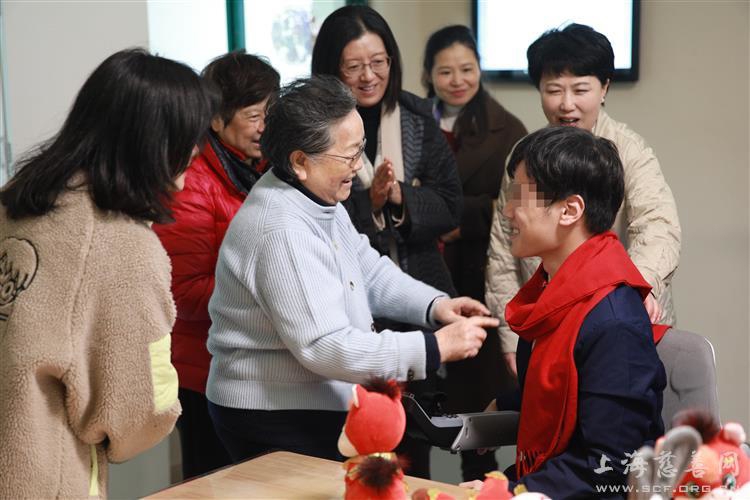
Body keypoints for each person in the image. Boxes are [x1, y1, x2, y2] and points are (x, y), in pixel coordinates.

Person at [205, 76, 496, 466]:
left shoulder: (314, 196)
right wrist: (433, 347)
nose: (358, 167)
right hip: (273, 412)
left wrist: (434, 306)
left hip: (311, 399)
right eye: (348, 156)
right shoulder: (282, 229)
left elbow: (367, 270)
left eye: (360, 149)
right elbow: (326, 345)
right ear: (300, 161)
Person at [0, 48, 214, 498]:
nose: (197, 151)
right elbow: (138, 414)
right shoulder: (122, 246)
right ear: (155, 143)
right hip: (40, 476)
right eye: (189, 137)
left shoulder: (14, 200)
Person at [311, 5, 463, 478]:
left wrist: (398, 196)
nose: (369, 76)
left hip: (416, 288)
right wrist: (368, 203)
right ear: (331, 69)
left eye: (378, 62)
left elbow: (450, 204)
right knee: (356, 441)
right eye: (354, 66)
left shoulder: (416, 115)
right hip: (354, 306)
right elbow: (321, 217)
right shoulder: (316, 129)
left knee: (416, 443)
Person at [478, 126, 666, 498]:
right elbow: (565, 393)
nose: (508, 211)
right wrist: (508, 404)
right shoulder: (558, 293)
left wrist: (511, 490)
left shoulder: (613, 322)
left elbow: (608, 468)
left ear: (570, 210)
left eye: (520, 196)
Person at [485, 23, 681, 377]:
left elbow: (658, 227)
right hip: (548, 323)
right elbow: (502, 248)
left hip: (619, 321)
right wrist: (512, 338)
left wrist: (632, 292)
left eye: (580, 89)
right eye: (553, 90)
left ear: (604, 88)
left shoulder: (629, 151)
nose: (566, 104)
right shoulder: (526, 156)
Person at [153, 51, 280, 479]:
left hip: (249, 366)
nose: (266, 126)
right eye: (254, 115)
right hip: (205, 371)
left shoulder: (259, 169)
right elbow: (183, 292)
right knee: (214, 483)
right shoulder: (191, 184)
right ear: (216, 120)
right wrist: (270, 294)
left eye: (271, 113)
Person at [422, 25, 527, 481]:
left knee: (477, 421)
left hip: (474, 278)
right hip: (421, 275)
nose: (457, 80)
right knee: (415, 414)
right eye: (445, 71)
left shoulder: (508, 129)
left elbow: (514, 206)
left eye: (467, 69)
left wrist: (452, 217)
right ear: (429, 75)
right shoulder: (412, 121)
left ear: (480, 69)